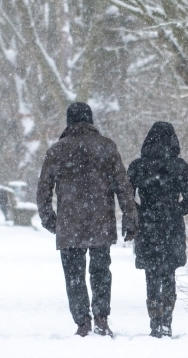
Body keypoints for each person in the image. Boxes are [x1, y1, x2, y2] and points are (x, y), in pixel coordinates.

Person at [37, 102, 138, 337]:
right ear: (90, 120)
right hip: (100, 221)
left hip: (69, 222)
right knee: (101, 270)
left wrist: (49, 218)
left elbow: (43, 189)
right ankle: (101, 317)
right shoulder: (106, 147)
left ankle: (82, 321)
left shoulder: (57, 150)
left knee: (74, 273)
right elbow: (123, 187)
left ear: (69, 121)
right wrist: (130, 217)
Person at [127, 122, 188, 338]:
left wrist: (140, 212)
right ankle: (167, 322)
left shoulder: (138, 166)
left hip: (148, 224)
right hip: (171, 225)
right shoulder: (179, 166)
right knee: (168, 273)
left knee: (151, 274)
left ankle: (154, 323)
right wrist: (176, 210)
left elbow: (126, 196)